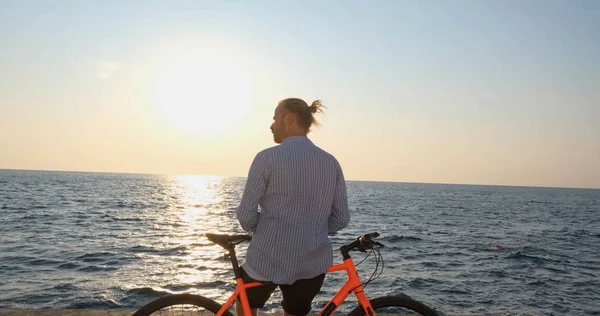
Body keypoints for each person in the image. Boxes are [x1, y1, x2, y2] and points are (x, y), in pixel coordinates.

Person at [235, 98, 350, 316]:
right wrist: (311, 228)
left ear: (288, 118)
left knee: (247, 305)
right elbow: (341, 218)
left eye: (275, 119)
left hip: (267, 256)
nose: (271, 125)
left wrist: (266, 230)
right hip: (311, 261)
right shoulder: (330, 162)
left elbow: (245, 215)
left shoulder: (266, 158)